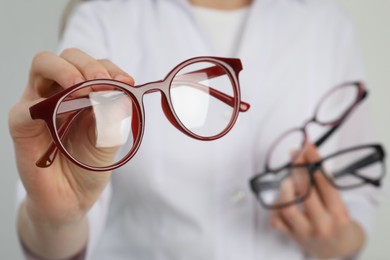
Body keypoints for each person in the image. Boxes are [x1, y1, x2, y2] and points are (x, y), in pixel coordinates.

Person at [9, 0, 383, 259]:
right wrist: (55, 219)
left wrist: (336, 242)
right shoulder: (105, 18)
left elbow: (360, 198)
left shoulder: (326, 24)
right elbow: (59, 241)